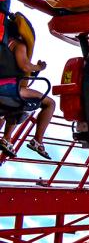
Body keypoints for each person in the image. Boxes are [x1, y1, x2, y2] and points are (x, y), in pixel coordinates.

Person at [0, 13, 55, 159]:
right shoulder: (18, 45)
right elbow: (24, 66)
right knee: (49, 103)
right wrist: (39, 67)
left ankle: (7, 139)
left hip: (5, 87)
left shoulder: (3, 45)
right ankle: (38, 141)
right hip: (7, 87)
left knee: (15, 105)